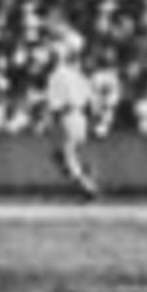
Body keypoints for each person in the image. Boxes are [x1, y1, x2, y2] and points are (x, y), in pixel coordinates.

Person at [44, 32, 99, 199]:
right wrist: (93, 120)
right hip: (80, 116)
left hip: (66, 117)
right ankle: (86, 179)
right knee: (68, 154)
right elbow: (91, 99)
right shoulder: (78, 75)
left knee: (64, 155)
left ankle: (87, 187)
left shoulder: (57, 75)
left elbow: (55, 105)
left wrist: (49, 121)